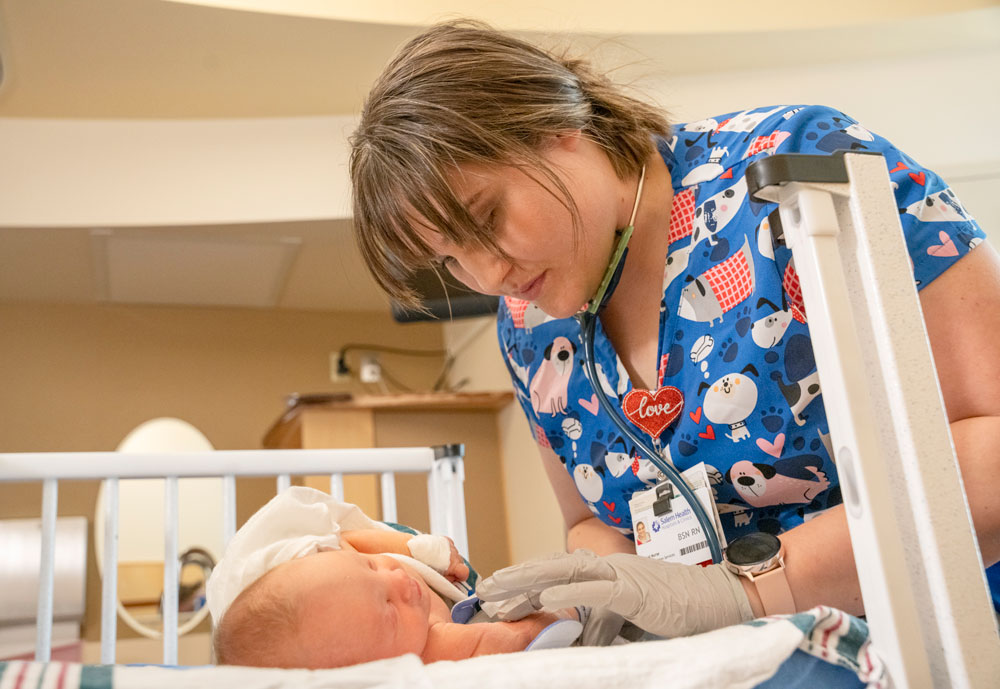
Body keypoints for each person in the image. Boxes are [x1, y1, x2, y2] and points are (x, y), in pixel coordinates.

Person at [349, 19, 1000, 640]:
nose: (488, 273)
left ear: (557, 126)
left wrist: (747, 593)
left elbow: (993, 446)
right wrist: (605, 588)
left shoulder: (799, 168)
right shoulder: (527, 326)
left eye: (487, 216)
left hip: (951, 635)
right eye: (451, 258)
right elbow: (586, 520)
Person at [208, 488, 582, 669]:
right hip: (446, 618)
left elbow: (352, 538)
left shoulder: (321, 560)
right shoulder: (421, 646)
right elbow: (504, 641)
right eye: (388, 609)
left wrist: (417, 549)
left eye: (370, 569)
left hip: (407, 553)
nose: (399, 583)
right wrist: (553, 617)